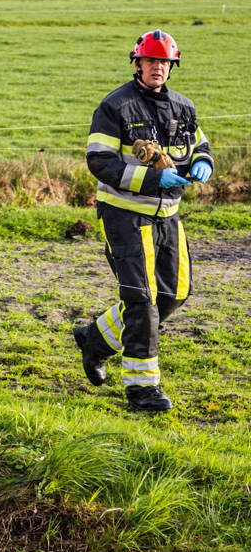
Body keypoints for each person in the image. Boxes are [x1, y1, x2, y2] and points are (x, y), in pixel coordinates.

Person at [73, 29, 213, 412]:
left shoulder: (183, 106)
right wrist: (153, 178)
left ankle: (95, 340)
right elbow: (99, 161)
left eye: (164, 62)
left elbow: (199, 143)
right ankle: (142, 390)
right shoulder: (115, 106)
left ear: (172, 67)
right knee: (141, 302)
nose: (157, 68)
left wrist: (203, 161)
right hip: (124, 215)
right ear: (138, 64)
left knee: (174, 295)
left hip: (168, 215)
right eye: (151, 61)